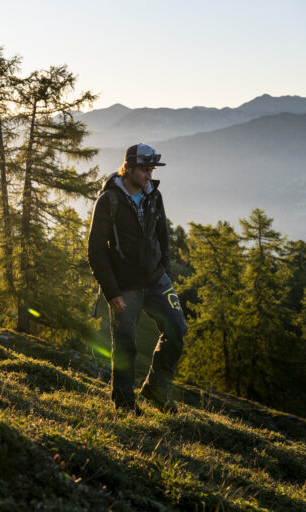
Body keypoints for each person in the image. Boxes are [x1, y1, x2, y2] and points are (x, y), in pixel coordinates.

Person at [87, 143, 188, 414]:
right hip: (124, 286)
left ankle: (156, 387)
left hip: (156, 279)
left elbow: (162, 237)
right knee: (125, 345)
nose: (149, 174)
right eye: (144, 169)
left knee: (177, 330)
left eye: (151, 169)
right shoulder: (108, 201)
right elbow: (95, 251)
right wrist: (111, 292)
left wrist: (164, 271)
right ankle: (124, 403)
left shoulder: (154, 195)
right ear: (128, 167)